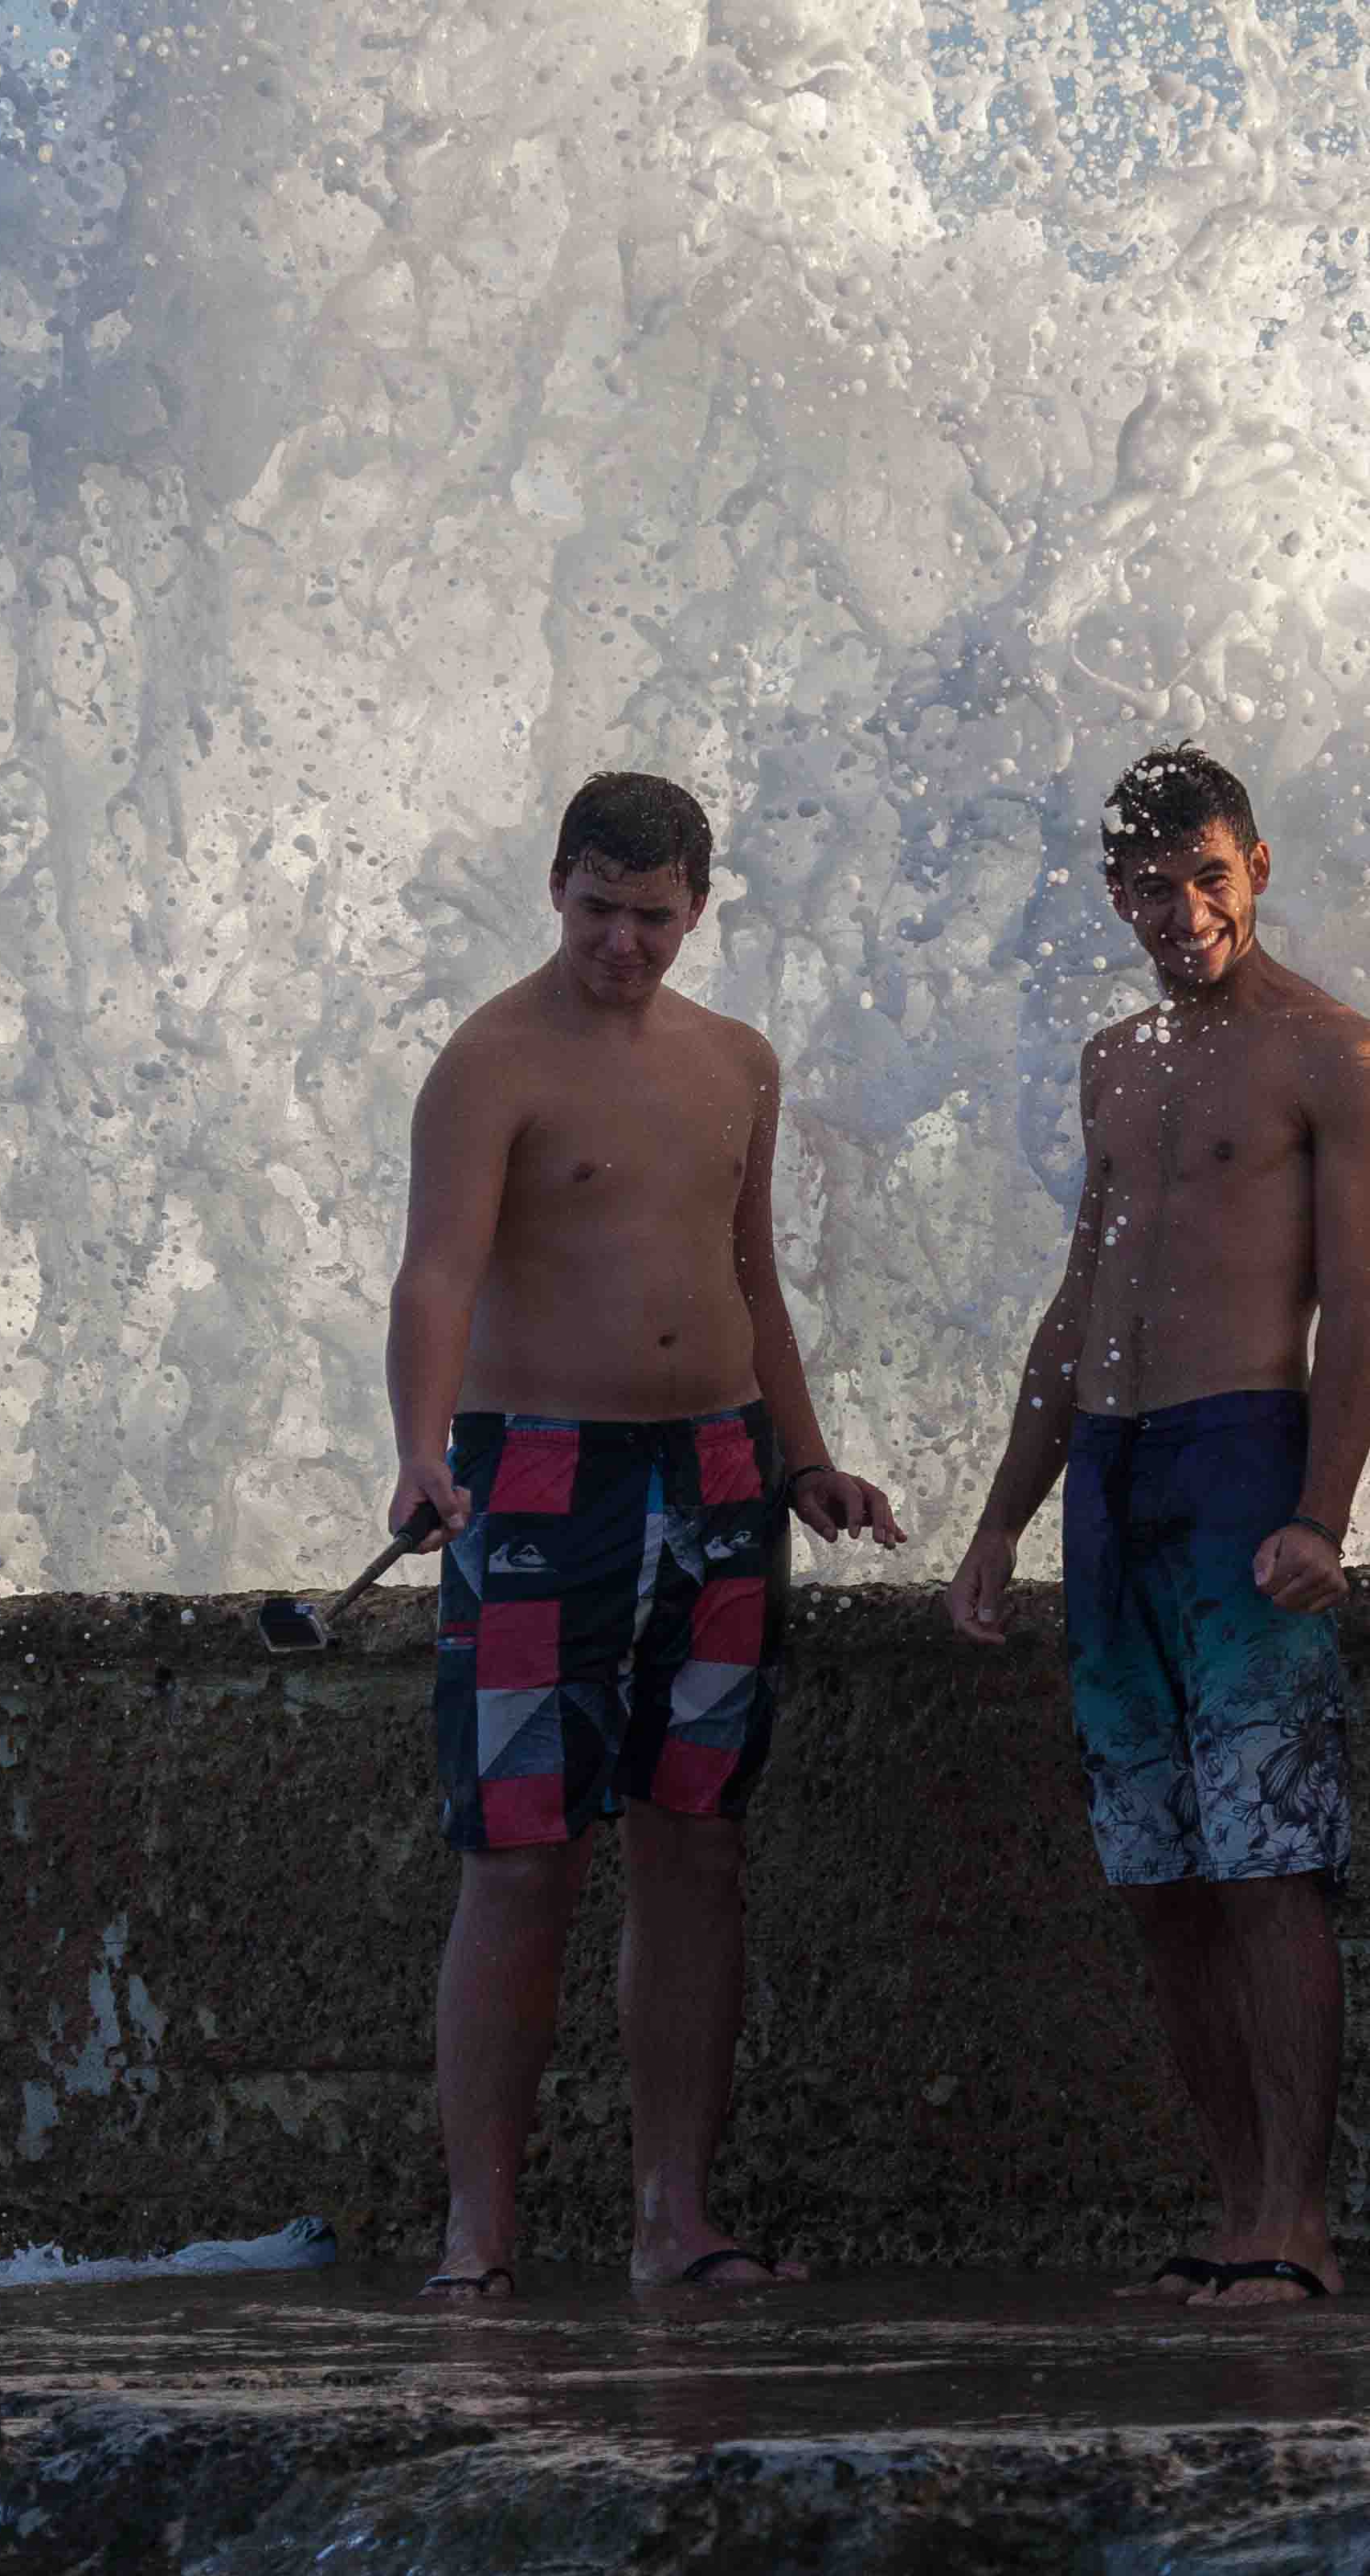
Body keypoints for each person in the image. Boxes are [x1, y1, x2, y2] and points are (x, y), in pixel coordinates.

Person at [383, 773, 905, 2300]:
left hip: (723, 1475)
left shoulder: (737, 1062)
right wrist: (419, 1452)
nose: (624, 941)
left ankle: (675, 2220)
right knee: (520, 1856)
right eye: (600, 909)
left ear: (697, 910)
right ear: (556, 886)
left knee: (697, 1842)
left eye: (654, 917)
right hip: (539, 1476)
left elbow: (754, 1279)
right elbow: (434, 1277)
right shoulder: (489, 1062)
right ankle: (480, 2236)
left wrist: (806, 1459)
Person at [946, 748, 1370, 2309]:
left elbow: (1358, 1308)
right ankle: (1231, 2212)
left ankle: (1298, 2222)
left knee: (1269, 1859)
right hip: (1110, 1477)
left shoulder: (1336, 1055)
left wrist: (1322, 1512)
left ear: (1256, 866)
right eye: (1152, 886)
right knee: (1158, 1873)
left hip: (1238, 1463)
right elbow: (1078, 1304)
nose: (1184, 910)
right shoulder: (1116, 1064)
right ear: (1114, 894)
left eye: (1208, 876)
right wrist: (1000, 1524)